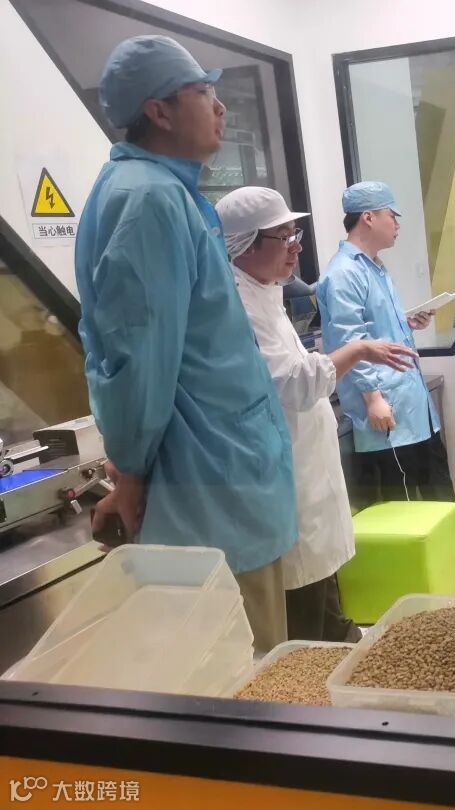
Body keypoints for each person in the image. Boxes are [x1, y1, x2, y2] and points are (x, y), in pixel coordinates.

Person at [75, 36, 297, 653]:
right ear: (160, 111)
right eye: (203, 93)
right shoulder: (147, 201)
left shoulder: (169, 194)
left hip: (221, 474)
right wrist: (131, 473)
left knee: (255, 665)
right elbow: (137, 360)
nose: (220, 107)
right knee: (241, 674)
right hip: (204, 489)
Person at [216, 186, 418, 641]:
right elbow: (291, 383)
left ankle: (339, 638)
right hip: (281, 466)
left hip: (306, 455)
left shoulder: (268, 290)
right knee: (303, 576)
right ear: (244, 245)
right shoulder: (237, 306)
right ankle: (322, 655)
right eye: (283, 237)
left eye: (297, 234)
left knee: (320, 567)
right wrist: (359, 352)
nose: (296, 247)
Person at [316, 182, 455, 544]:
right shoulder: (344, 274)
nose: (397, 224)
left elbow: (375, 330)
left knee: (435, 485)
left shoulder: (374, 268)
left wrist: (407, 322)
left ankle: (454, 549)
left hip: (411, 404)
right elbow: (350, 341)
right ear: (368, 217)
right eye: (392, 215)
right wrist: (373, 398)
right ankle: (431, 562)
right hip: (388, 412)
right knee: (404, 504)